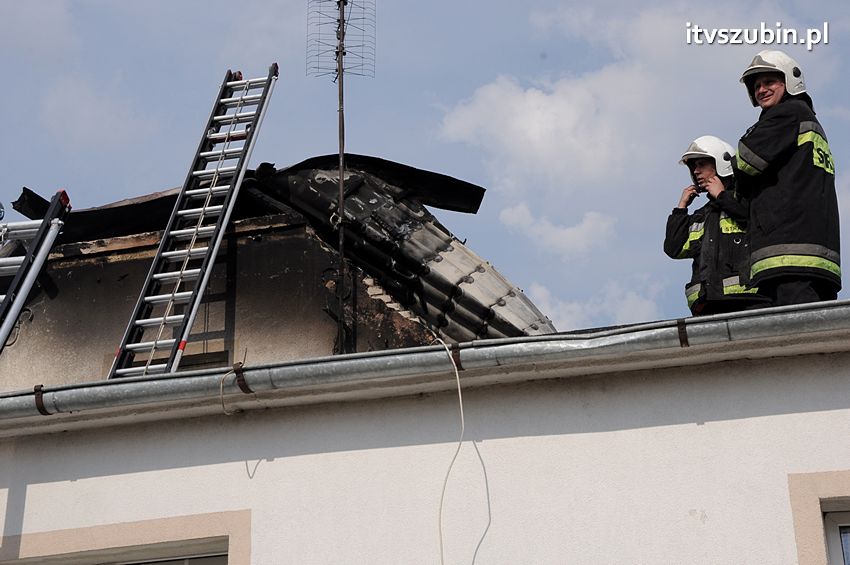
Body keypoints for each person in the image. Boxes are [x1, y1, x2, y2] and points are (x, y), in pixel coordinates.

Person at [735, 49, 840, 306]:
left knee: (790, 337)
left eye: (769, 82)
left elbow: (746, 160)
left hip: (787, 251)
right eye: (757, 85)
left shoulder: (787, 114)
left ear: (789, 82)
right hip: (814, 253)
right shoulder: (809, 120)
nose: (761, 89)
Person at [665, 135, 766, 315]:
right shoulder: (701, 216)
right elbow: (674, 249)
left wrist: (722, 196)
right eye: (693, 166)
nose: (696, 171)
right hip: (708, 306)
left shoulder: (749, 199)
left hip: (747, 303)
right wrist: (680, 209)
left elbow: (758, 223)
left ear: (720, 162)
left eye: (701, 164)